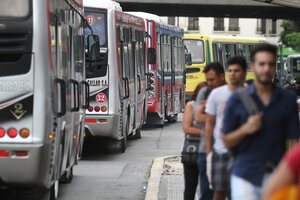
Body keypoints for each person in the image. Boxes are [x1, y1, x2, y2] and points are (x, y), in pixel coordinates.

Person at [222, 43, 300, 200]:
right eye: (262, 64)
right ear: (253, 66)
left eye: (271, 64)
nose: (266, 69)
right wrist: (245, 129)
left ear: (275, 67)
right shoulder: (237, 99)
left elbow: (294, 142)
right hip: (244, 175)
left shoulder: (287, 99)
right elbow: (226, 141)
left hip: (278, 175)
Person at [205, 56, 247, 200]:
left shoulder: (250, 95)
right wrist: (209, 151)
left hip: (243, 153)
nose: (233, 74)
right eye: (230, 70)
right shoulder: (217, 94)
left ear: (244, 73)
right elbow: (209, 123)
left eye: (237, 70)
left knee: (240, 193)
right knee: (219, 192)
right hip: (220, 151)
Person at [195, 62, 227, 200]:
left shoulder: (232, 92)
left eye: (212, 80)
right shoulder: (205, 91)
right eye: (207, 80)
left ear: (222, 76)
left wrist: (212, 115)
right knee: (206, 193)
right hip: (205, 151)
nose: (209, 83)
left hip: (228, 151)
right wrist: (220, 116)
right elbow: (198, 118)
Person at [182, 82, 208, 200]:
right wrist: (207, 133)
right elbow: (186, 128)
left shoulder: (214, 107)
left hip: (209, 152)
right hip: (192, 150)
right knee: (191, 186)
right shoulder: (191, 106)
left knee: (207, 188)